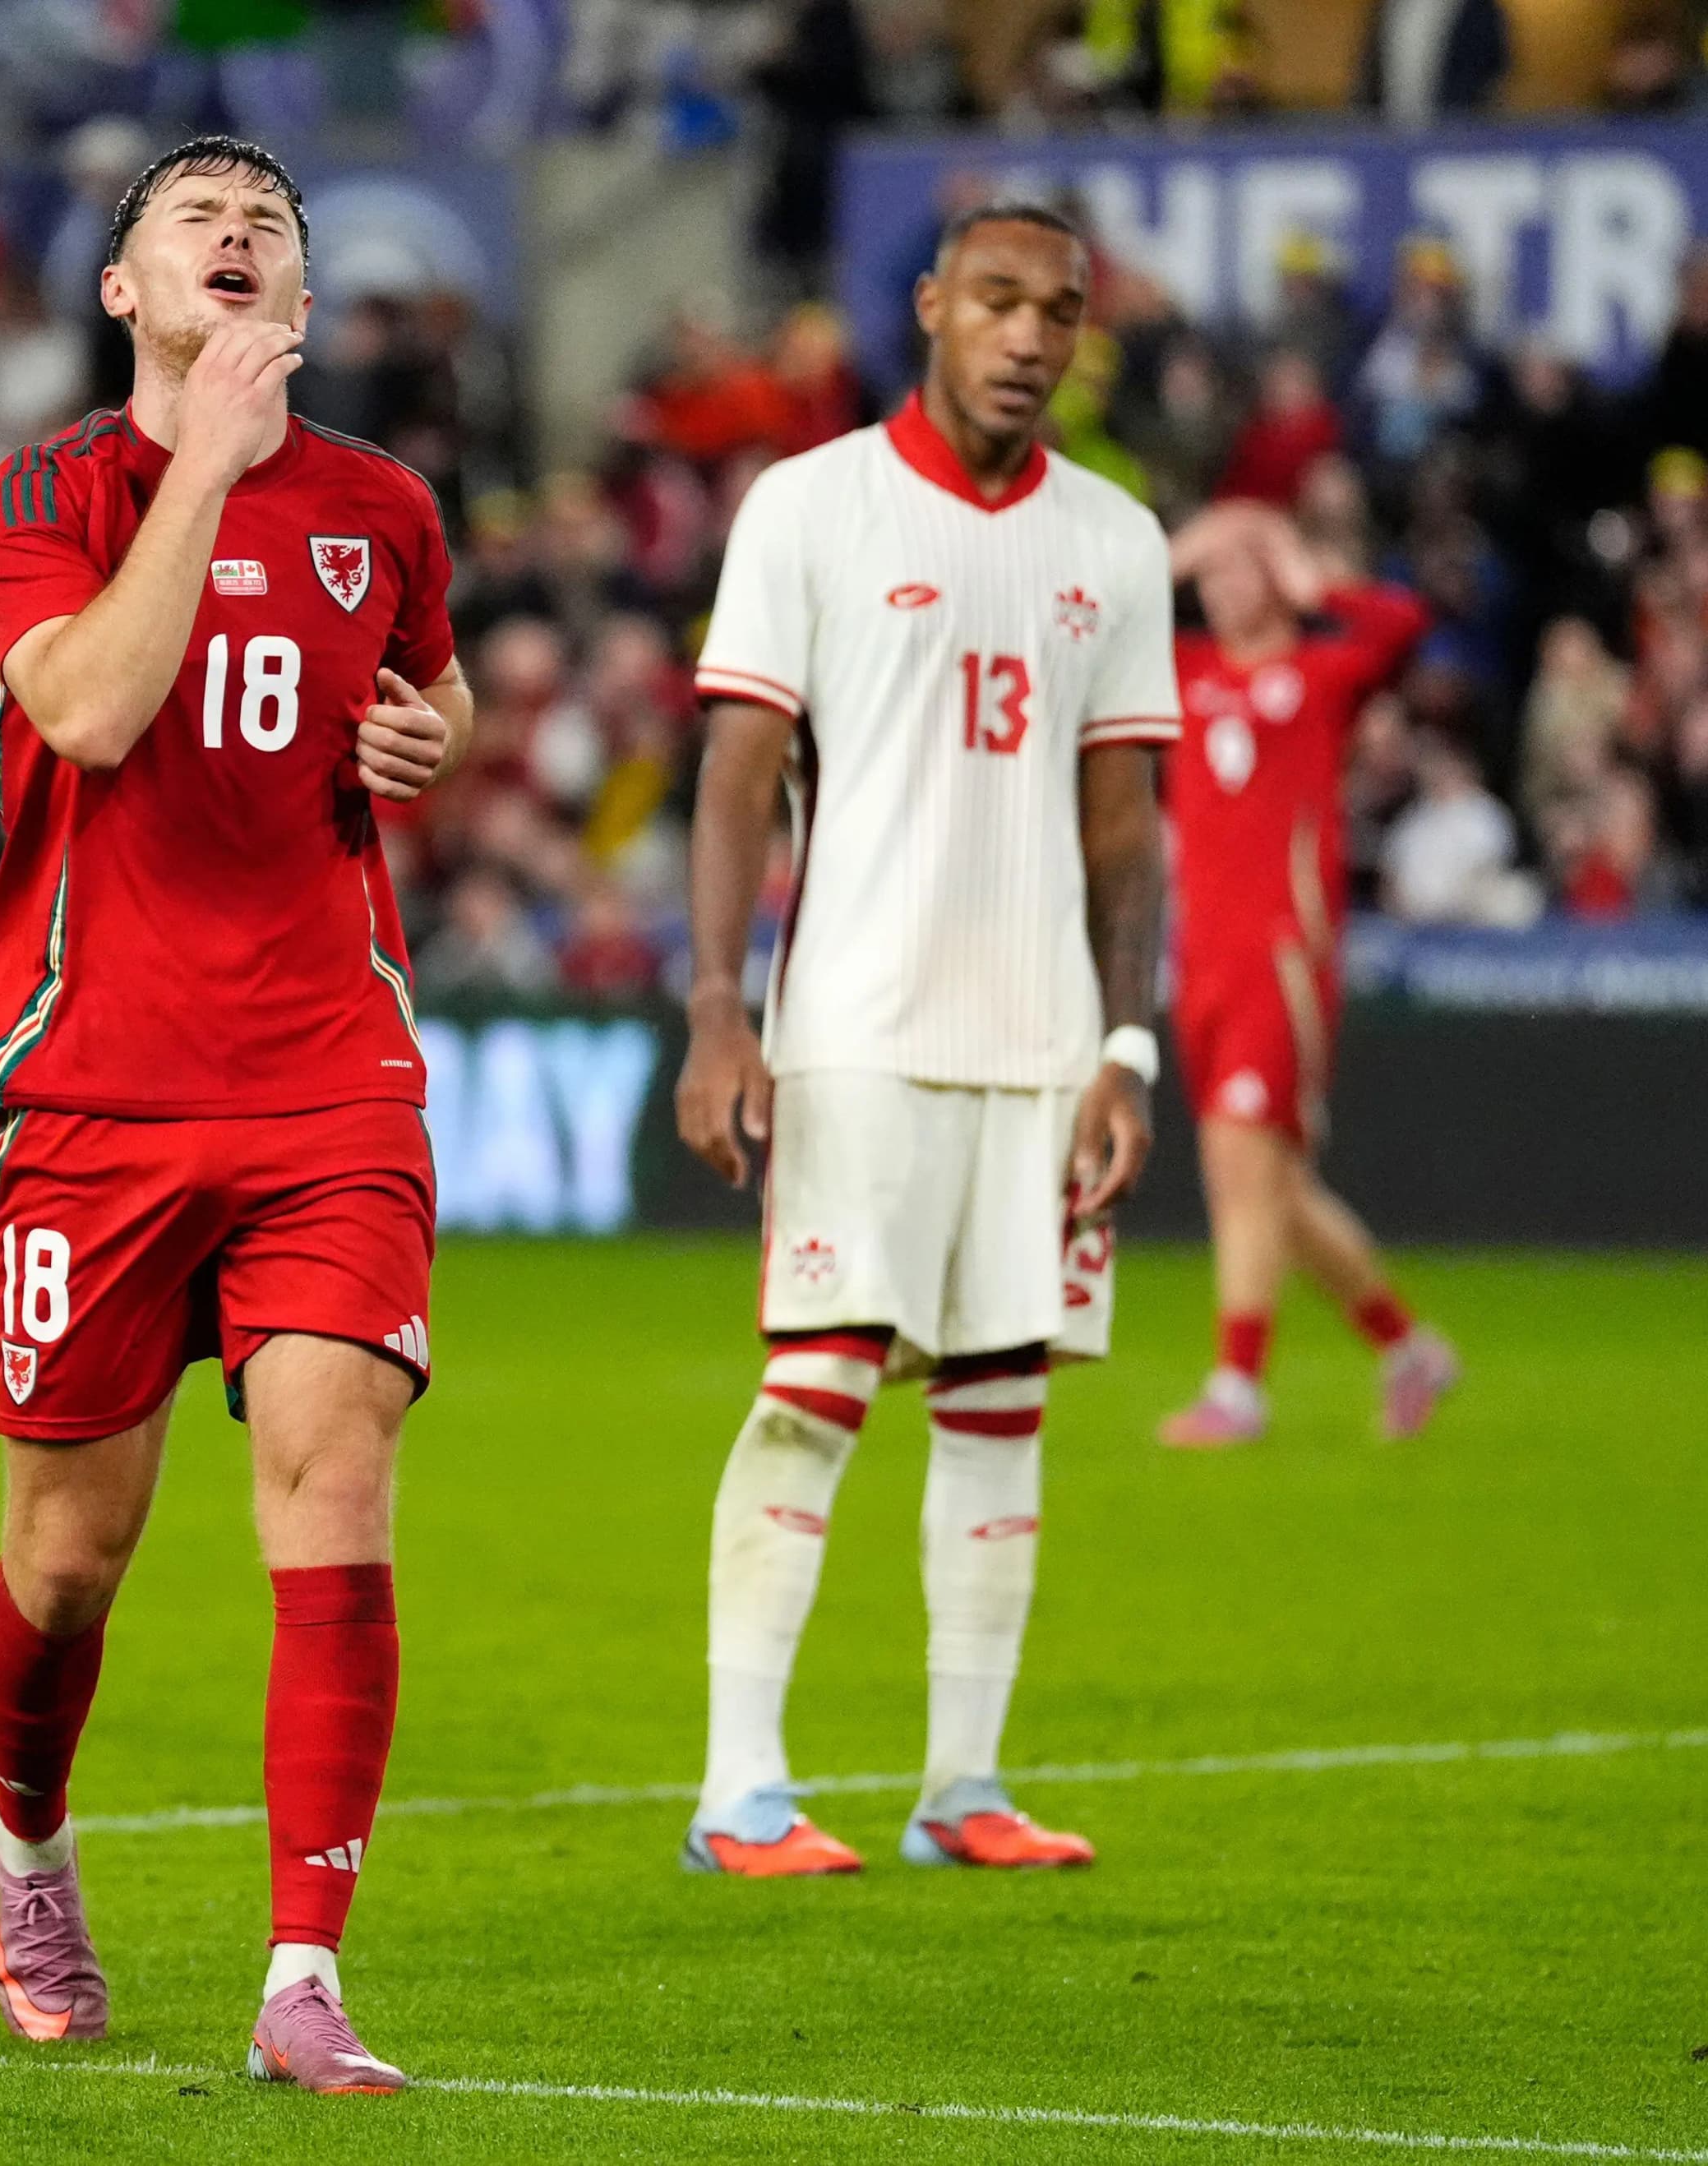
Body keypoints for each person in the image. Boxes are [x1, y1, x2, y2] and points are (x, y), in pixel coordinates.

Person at [0, 136, 471, 2092]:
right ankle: (28, 1851)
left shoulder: (384, 505)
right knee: (66, 1558)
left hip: (330, 1073)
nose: (239, 230)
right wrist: (211, 466)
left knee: (335, 1484)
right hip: (97, 1084)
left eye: (270, 222)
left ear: (304, 294)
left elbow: (434, 695)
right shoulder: (46, 493)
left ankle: (302, 1975)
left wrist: (432, 734)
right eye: (198, 216)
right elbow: (89, 707)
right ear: (124, 292)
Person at [674, 203, 1177, 1878]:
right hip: (858, 1027)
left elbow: (1125, 825)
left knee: (1001, 1398)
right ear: (932, 307)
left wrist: (1127, 1044)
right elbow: (737, 777)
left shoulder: (1116, 541)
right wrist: (719, 1008)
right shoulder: (810, 505)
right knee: (819, 1386)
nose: (1030, 336)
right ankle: (739, 1789)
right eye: (998, 300)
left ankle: (963, 1788)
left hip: (1044, 1045)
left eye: (1060, 310)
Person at [1159, 502, 1460, 1448]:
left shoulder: (1322, 676)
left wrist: (1306, 571)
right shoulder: (1186, 673)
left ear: (1276, 579)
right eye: (1212, 575)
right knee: (1270, 1187)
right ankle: (1409, 1348)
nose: (1221, 587)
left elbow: (1402, 624)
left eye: (1239, 569)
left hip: (1279, 953)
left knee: (1242, 1166)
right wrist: (1179, 552)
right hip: (1200, 958)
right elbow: (1089, 617)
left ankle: (1237, 1389)